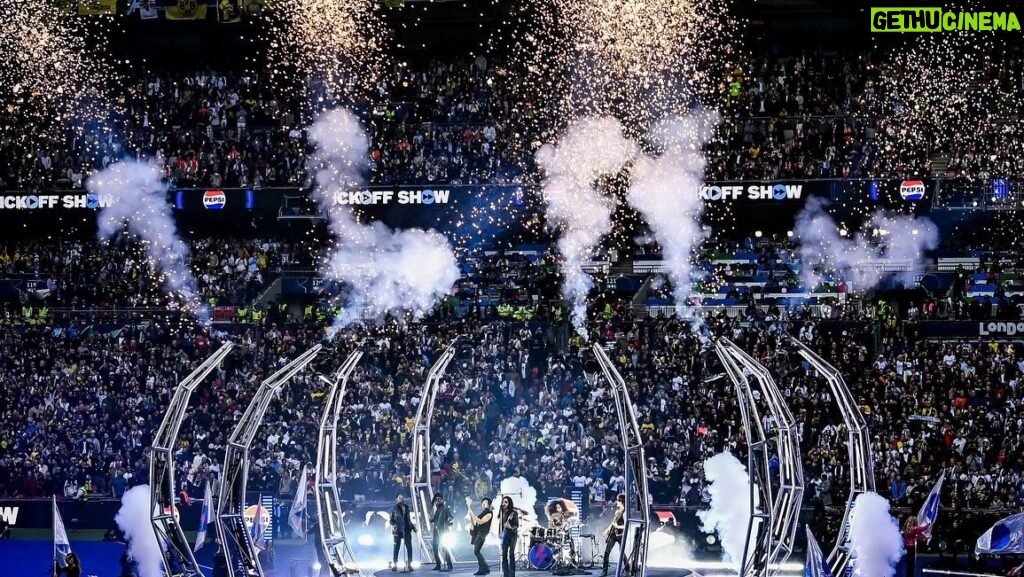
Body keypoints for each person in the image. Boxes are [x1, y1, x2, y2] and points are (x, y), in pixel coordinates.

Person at [466, 496, 493, 576]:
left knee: (476, 551)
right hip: (478, 534)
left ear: (489, 505)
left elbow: (480, 522)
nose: (483, 504)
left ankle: (483, 569)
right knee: (477, 551)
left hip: (482, 534)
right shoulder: (482, 513)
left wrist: (472, 514)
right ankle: (485, 568)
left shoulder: (489, 513)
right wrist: (469, 508)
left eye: (485, 503)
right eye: (482, 503)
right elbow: (475, 522)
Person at [391, 494, 417, 572]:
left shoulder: (407, 508)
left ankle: (409, 565)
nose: (401, 499)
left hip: (406, 530)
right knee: (396, 548)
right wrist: (394, 525)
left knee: (409, 548)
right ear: (397, 499)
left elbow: (408, 520)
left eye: (402, 498)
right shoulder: (394, 509)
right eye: (400, 498)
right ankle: (395, 565)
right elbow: (391, 520)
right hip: (398, 531)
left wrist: (413, 527)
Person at [601, 495, 625, 577]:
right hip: (613, 534)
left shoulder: (625, 513)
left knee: (622, 553)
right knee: (607, 552)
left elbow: (626, 525)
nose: (617, 502)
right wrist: (607, 530)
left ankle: (628, 568)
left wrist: (618, 526)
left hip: (621, 535)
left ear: (622, 502)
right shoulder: (617, 512)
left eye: (618, 500)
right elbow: (613, 523)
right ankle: (604, 571)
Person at [431, 493, 454, 572]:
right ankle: (438, 564)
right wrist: (430, 519)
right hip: (436, 531)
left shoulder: (445, 509)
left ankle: (449, 564)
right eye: (436, 499)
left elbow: (451, 517)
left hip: (443, 531)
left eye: (439, 499)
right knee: (434, 548)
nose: (437, 501)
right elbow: (434, 519)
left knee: (445, 548)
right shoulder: (437, 510)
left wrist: (449, 520)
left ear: (442, 500)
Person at [499, 496, 519, 577]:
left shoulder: (514, 513)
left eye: (506, 502)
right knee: (504, 554)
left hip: (512, 535)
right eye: (503, 502)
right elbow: (500, 524)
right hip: (504, 535)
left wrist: (510, 527)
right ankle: (505, 573)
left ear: (509, 503)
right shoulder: (501, 512)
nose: (504, 503)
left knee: (511, 554)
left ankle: (512, 574)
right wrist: (499, 533)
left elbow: (516, 525)